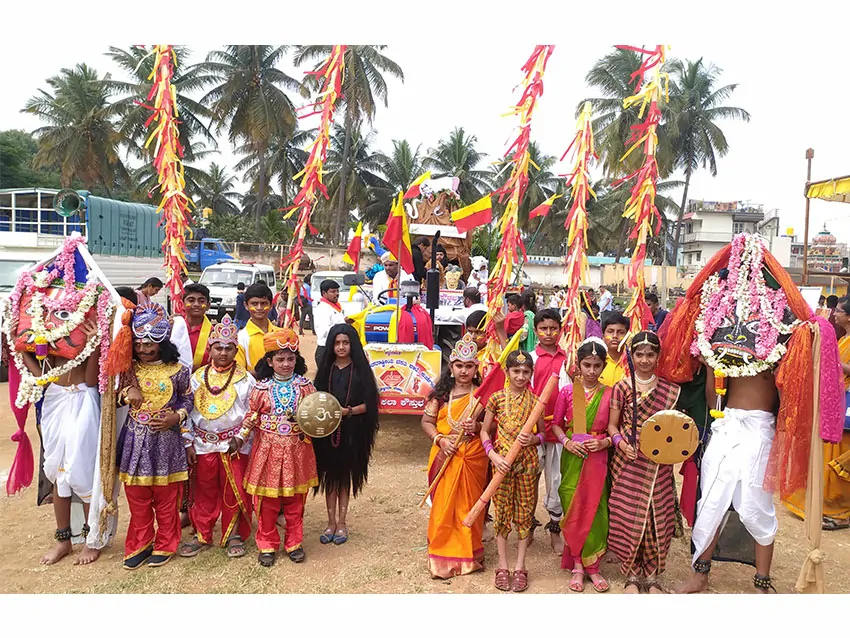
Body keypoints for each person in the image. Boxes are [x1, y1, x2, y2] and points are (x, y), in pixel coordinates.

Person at [19, 321, 102, 566]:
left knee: (82, 470)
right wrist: (21, 349)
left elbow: (90, 380)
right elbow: (43, 378)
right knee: (59, 473)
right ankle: (63, 539)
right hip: (55, 401)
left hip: (82, 402)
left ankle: (91, 539)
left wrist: (93, 345)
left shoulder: (84, 336)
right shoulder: (52, 340)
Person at [117, 303, 193, 569]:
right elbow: (111, 399)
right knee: (137, 497)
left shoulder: (179, 371)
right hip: (135, 440)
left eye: (149, 344)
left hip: (166, 441)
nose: (144, 349)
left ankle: (165, 543)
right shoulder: (129, 370)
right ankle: (140, 544)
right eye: (138, 344)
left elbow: (187, 399)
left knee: (166, 498)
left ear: (162, 343)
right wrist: (127, 394)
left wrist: (177, 417)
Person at [606, 331, 680, 593]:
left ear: (658, 357)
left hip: (658, 464)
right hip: (628, 461)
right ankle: (631, 575)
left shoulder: (670, 390)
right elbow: (612, 427)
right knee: (627, 515)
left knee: (656, 517)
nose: (645, 359)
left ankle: (652, 576)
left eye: (650, 354)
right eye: (640, 354)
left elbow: (675, 430)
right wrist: (622, 445)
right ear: (632, 356)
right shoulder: (623, 387)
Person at [179, 315, 256, 559]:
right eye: (218, 347)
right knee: (203, 490)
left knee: (233, 491)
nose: (223, 352)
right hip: (202, 444)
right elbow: (186, 412)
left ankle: (234, 534)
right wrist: (189, 442)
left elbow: (254, 412)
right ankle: (203, 533)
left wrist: (241, 438)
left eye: (228, 348)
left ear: (236, 350)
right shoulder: (197, 377)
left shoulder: (246, 379)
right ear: (210, 349)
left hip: (233, 445)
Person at [239, 329, 318, 567]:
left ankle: (294, 542)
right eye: (280, 359)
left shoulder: (306, 387)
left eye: (290, 359)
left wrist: (307, 423)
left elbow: (315, 416)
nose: (286, 364)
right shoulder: (261, 388)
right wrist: (240, 437)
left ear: (297, 360)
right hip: (267, 451)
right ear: (270, 361)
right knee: (267, 502)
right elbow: (251, 416)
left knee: (295, 500)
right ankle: (267, 544)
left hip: (297, 449)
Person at [421, 333, 487, 578]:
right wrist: (440, 439)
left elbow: (493, 427)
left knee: (469, 507)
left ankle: (469, 554)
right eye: (459, 365)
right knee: (444, 507)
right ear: (451, 367)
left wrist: (478, 428)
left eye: (469, 366)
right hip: (445, 456)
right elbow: (427, 422)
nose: (463, 371)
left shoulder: (482, 396)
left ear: (475, 368)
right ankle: (441, 555)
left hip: (473, 458)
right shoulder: (440, 395)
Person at [550, 337, 613, 593]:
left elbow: (615, 428)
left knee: (596, 509)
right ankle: (577, 564)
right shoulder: (568, 391)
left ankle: (594, 567)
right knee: (573, 506)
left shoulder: (610, 392)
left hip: (598, 458)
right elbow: (554, 424)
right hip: (572, 456)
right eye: (587, 365)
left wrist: (606, 442)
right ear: (578, 365)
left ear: (604, 365)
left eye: (597, 365)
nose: (592, 371)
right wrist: (566, 442)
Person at [480, 350, 546, 592]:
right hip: (501, 465)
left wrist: (534, 440)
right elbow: (485, 431)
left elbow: (543, 434)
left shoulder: (537, 401)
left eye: (525, 372)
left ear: (531, 374)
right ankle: (503, 565)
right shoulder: (496, 399)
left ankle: (520, 566)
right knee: (502, 512)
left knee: (524, 512)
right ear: (507, 372)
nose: (520, 376)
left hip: (527, 464)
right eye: (516, 371)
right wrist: (493, 455)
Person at [314, 324, 380, 546]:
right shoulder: (325, 370)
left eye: (346, 343)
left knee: (344, 479)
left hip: (353, 431)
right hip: (326, 432)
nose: (341, 347)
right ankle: (330, 522)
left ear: (352, 345)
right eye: (337, 343)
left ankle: (342, 522)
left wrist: (348, 411)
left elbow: (370, 404)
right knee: (330, 478)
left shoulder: (361, 370)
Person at [529, 309, 571, 554]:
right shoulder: (530, 359)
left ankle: (555, 527)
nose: (548, 333)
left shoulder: (569, 360)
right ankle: (528, 524)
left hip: (559, 430)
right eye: (543, 329)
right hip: (533, 431)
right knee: (529, 479)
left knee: (555, 481)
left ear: (560, 330)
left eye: (553, 328)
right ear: (535, 331)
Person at [236, 282, 275, 374]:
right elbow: (239, 374)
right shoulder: (240, 338)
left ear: (271, 306)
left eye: (264, 303)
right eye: (254, 303)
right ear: (246, 306)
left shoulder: (280, 334)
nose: (259, 307)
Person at [313, 279, 347, 365]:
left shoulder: (336, 307)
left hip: (336, 349)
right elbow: (324, 331)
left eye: (338, 291)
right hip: (326, 350)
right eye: (333, 291)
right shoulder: (322, 309)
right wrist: (342, 330)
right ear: (324, 293)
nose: (337, 294)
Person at [183, 283, 212, 371]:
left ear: (208, 305)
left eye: (201, 301)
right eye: (191, 300)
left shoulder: (214, 334)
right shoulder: (174, 328)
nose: (196, 304)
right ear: (182, 303)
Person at [599, 312, 629, 386]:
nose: (615, 336)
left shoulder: (632, 362)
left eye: (621, 332)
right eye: (610, 331)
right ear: (603, 336)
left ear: (627, 336)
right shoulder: (596, 361)